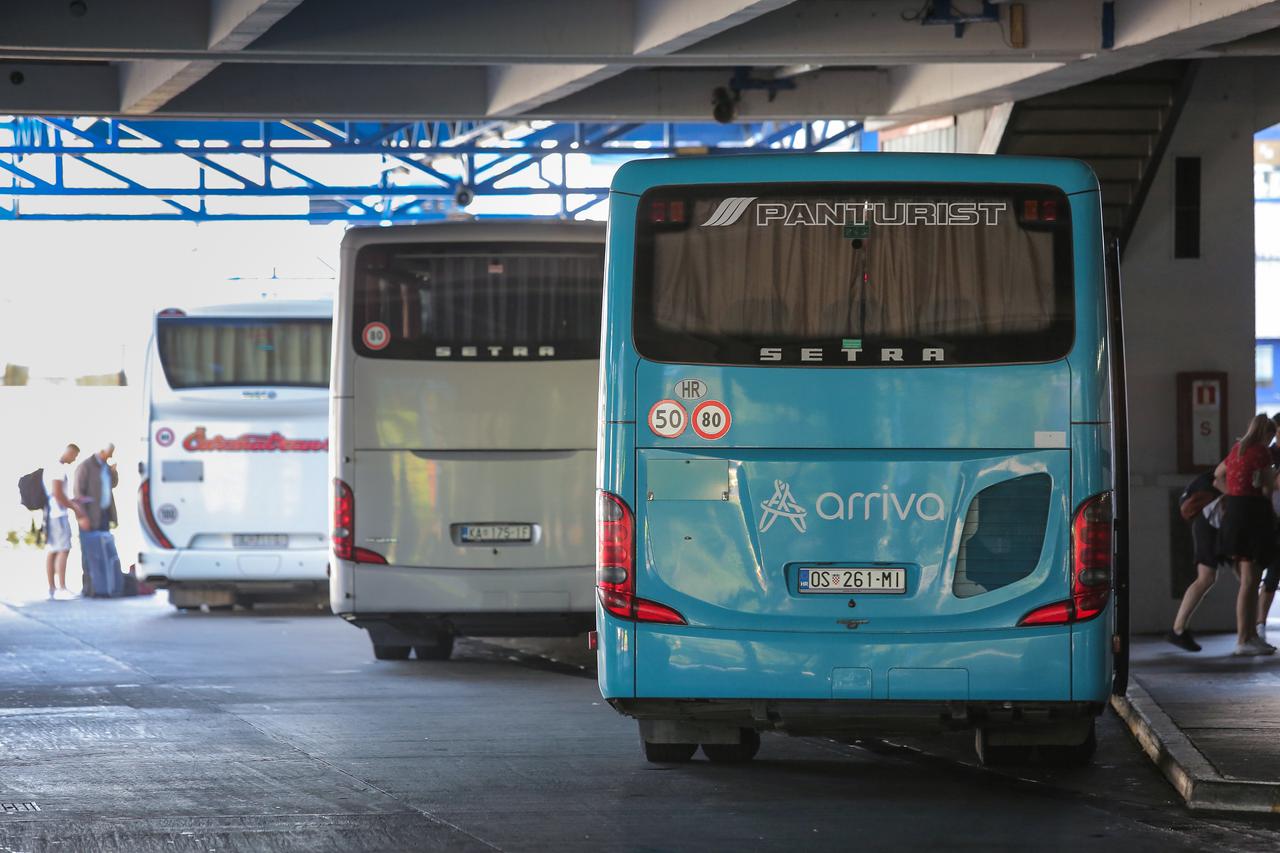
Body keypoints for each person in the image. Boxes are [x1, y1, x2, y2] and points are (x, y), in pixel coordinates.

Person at [1216, 414, 1278, 656]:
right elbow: (1268, 486)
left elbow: (1218, 476)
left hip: (1235, 513)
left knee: (1248, 580)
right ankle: (1245, 638)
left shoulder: (1237, 449)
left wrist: (1234, 493)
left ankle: (1249, 636)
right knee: (1250, 581)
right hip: (1253, 515)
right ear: (1266, 433)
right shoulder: (1262, 452)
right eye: (1271, 435)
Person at [1166, 467, 1226, 651]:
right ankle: (1177, 630)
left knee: (1241, 578)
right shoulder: (1245, 456)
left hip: (1216, 522)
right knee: (1206, 578)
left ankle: (1249, 634)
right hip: (1211, 522)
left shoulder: (1244, 454)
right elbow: (1218, 480)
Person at [74, 442, 120, 598]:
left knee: (104, 552)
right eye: (110, 452)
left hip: (104, 515)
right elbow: (78, 493)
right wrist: (82, 517)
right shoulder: (85, 466)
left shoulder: (106, 467)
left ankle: (104, 587)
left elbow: (112, 485)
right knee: (89, 554)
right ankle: (89, 588)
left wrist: (114, 472)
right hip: (89, 516)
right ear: (102, 451)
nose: (111, 456)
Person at [42, 443, 83, 600]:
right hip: (58, 515)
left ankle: (52, 588)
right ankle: (61, 587)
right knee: (63, 550)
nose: (74, 459)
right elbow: (58, 494)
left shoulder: (52, 467)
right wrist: (75, 507)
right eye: (75, 456)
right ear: (69, 452)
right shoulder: (57, 468)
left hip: (51, 514)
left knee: (53, 550)